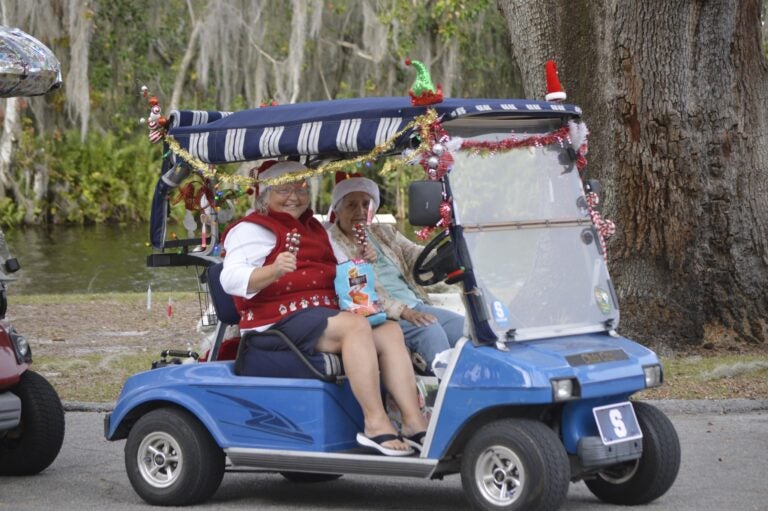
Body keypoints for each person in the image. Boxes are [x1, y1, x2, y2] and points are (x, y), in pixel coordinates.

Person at [220, 160, 428, 455]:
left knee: (389, 330)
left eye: (301, 188)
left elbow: (337, 273)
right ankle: (375, 423)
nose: (294, 196)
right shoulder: (250, 230)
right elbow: (230, 279)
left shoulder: (316, 228)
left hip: (321, 315)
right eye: (284, 189)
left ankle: (413, 422)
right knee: (354, 326)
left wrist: (359, 259)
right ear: (264, 195)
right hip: (276, 320)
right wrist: (273, 271)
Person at [327, 173, 464, 375]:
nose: (360, 211)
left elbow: (414, 254)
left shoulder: (383, 232)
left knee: (464, 327)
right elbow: (358, 294)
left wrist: (447, 252)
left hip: (415, 303)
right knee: (429, 330)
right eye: (351, 205)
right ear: (337, 210)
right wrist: (404, 312)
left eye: (366, 204)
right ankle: (447, 390)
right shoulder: (332, 244)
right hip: (379, 315)